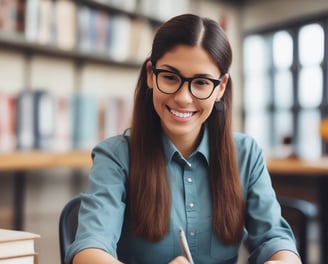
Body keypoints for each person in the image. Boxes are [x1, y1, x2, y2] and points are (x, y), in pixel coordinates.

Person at [66, 14, 301, 264]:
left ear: (220, 88)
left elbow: (275, 238)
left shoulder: (246, 153)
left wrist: (283, 259)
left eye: (201, 83)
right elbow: (89, 250)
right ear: (150, 74)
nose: (183, 98)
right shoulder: (116, 156)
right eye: (170, 77)